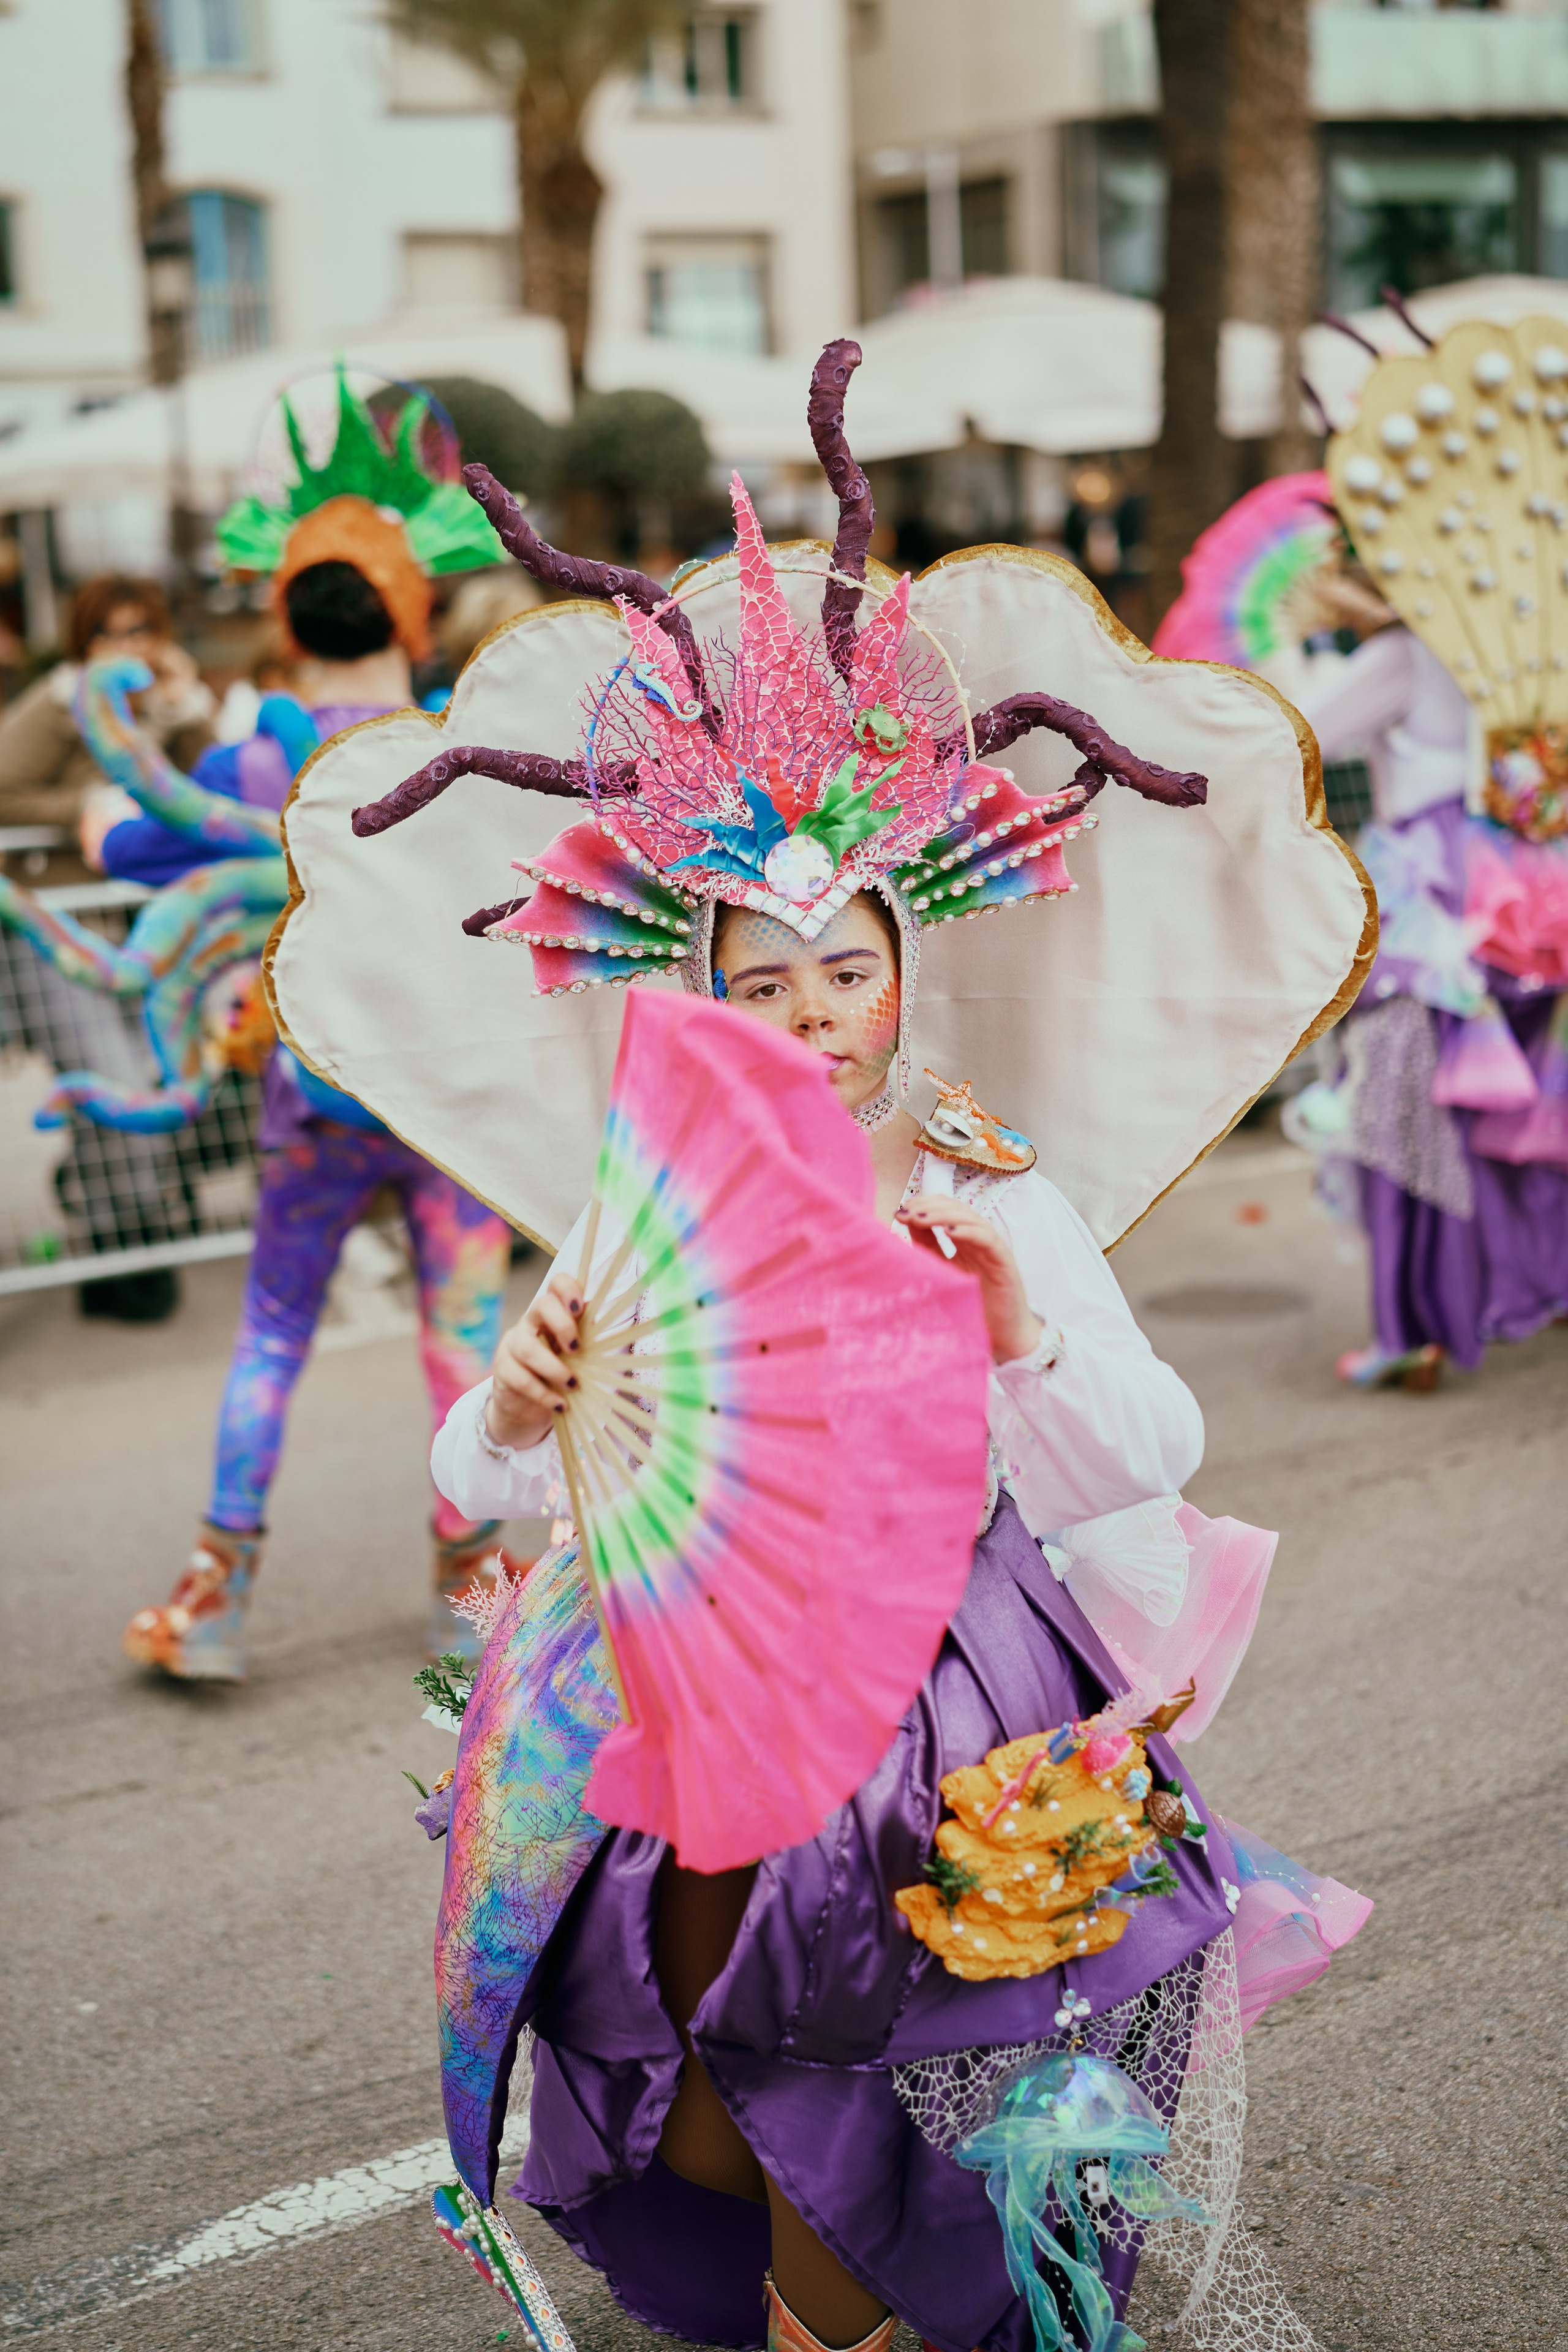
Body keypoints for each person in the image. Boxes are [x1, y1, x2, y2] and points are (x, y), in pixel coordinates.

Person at [282, 342, 1375, 2352]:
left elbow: (1151, 1449)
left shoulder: (983, 1182)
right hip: (694, 1711)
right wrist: (516, 1406)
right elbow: (486, 1485)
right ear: (702, 995)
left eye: (846, 971)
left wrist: (1019, 1336)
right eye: (766, 980)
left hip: (947, 1723)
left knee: (891, 2139)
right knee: (715, 2099)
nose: (810, 1016)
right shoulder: (647, 1197)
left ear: (902, 975)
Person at [108, 369, 521, 1679]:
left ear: (285, 620)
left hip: (312, 1103)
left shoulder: (257, 761)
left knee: (272, 1339)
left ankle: (215, 1600)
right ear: (415, 608)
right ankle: (476, 1596)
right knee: (463, 1346)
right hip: (449, 1108)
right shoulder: (461, 749)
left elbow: (132, 845)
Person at [1291, 307, 1568, 1387]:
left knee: (1410, 1113)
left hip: (1431, 892)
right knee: (1523, 1101)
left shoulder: (1408, 655)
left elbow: (1294, 734)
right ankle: (1536, 1280)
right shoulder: (1533, 643)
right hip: (1533, 882)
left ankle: (1422, 1322)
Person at [0, 575, 216, 1320]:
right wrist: (82, 808)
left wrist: (186, 706)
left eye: (140, 630)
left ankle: (120, 1221)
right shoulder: (59, 704)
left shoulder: (161, 707)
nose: (126, 647)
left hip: (156, 931)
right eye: (109, 633)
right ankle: (121, 1245)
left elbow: (217, 787)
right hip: (66, 931)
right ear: (83, 641)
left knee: (160, 1076)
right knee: (117, 1078)